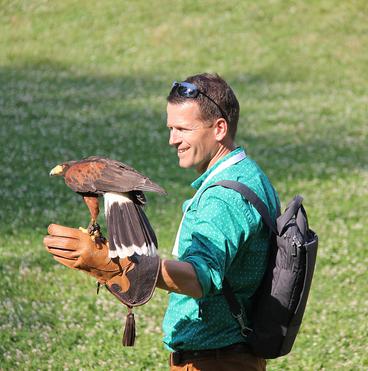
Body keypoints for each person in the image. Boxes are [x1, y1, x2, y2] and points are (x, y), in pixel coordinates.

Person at [44, 73, 279, 371]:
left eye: (182, 129)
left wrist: (122, 265)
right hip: (227, 353)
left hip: (215, 360)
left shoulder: (224, 198)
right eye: (171, 128)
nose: (172, 140)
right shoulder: (249, 173)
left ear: (219, 128)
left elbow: (199, 277)